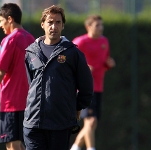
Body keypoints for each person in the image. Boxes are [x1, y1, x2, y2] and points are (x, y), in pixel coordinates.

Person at [23, 5, 93, 150]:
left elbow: (86, 86)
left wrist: (76, 107)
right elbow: (32, 83)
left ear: (63, 26)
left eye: (58, 22)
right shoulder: (31, 52)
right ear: (43, 24)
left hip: (60, 123)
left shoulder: (73, 53)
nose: (53, 26)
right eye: (50, 22)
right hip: (33, 123)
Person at [0, 3, 35, 150]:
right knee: (17, 143)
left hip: (12, 102)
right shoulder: (31, 39)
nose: (0, 25)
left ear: (10, 19)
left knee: (12, 145)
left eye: (1, 20)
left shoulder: (9, 40)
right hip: (29, 101)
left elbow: (0, 71)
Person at [70, 15, 116, 150]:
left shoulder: (104, 41)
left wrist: (109, 64)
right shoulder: (80, 42)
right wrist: (83, 68)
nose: (101, 28)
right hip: (84, 88)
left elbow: (104, 62)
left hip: (98, 87)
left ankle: (75, 147)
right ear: (88, 27)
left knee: (91, 124)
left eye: (102, 25)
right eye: (97, 25)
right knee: (91, 121)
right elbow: (69, 63)